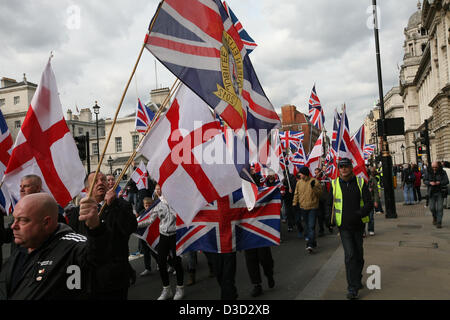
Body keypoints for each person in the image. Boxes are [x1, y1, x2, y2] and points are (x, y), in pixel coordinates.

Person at [0, 193, 111, 299]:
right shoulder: (21, 248)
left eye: (23, 220)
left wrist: (95, 228)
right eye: (14, 219)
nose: (14, 226)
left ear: (46, 222)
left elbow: (97, 255)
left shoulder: (72, 246)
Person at [67, 171, 137, 299]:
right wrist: (73, 282)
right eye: (96, 181)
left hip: (115, 278)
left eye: (103, 180)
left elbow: (130, 228)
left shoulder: (121, 205)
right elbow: (72, 246)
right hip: (89, 279)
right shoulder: (78, 212)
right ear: (87, 188)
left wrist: (114, 205)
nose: (100, 183)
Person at [327, 158, 373, 300]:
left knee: (359, 256)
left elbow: (369, 203)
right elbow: (329, 205)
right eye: (341, 167)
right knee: (350, 256)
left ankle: (357, 280)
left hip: (358, 226)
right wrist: (329, 219)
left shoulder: (360, 182)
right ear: (338, 169)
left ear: (351, 167)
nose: (344, 169)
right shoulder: (334, 184)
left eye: (346, 166)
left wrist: (360, 214)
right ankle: (352, 288)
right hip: (344, 227)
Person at [138, 184, 184, 300]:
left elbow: (182, 216)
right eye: (157, 188)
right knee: (161, 262)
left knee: (177, 262)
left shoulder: (176, 201)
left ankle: (180, 288)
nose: (158, 190)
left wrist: (171, 206)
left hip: (175, 235)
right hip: (164, 236)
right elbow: (150, 220)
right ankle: (166, 289)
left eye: (160, 188)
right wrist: (135, 224)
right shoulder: (157, 204)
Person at [292, 166, 322, 253]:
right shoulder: (299, 183)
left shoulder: (314, 181)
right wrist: (294, 203)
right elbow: (296, 194)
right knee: (307, 226)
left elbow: (320, 194)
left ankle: (310, 244)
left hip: (313, 207)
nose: (299, 175)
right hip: (303, 207)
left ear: (304, 174)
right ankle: (313, 241)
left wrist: (314, 188)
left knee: (311, 226)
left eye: (300, 174)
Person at [423, 161, 449, 228]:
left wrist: (439, 182)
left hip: (440, 192)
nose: (434, 168)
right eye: (433, 167)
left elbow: (446, 181)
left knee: (440, 208)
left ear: (438, 166)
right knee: (432, 208)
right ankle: (434, 217)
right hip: (431, 192)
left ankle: (439, 222)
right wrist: (429, 183)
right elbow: (424, 180)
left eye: (436, 167)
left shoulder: (442, 172)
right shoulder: (428, 171)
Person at [137, 197, 158, 277]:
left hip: (153, 235)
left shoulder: (155, 212)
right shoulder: (142, 212)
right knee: (146, 252)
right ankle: (147, 268)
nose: (148, 207)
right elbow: (138, 220)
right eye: (146, 205)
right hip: (144, 236)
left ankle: (160, 263)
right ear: (144, 205)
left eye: (149, 205)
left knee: (154, 251)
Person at [367, 167, 380, 236]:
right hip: (362, 201)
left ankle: (371, 229)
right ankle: (362, 231)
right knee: (362, 218)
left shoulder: (372, 179)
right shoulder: (358, 179)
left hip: (370, 200)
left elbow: (375, 191)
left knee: (371, 217)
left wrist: (376, 201)